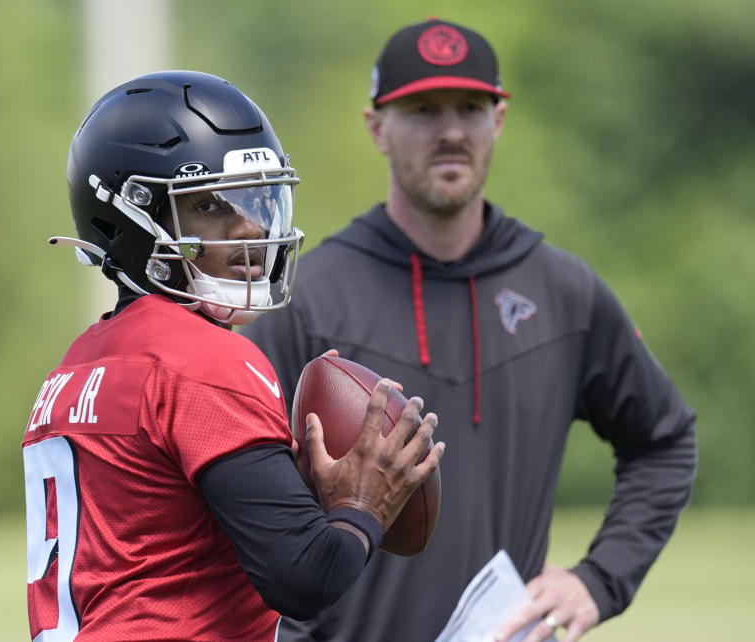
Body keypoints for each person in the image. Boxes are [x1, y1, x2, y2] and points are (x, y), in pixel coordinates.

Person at [241, 17, 697, 642]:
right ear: (377, 127)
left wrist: (599, 578)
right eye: (423, 110)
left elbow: (664, 442)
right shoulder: (307, 299)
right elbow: (238, 492)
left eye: (470, 108)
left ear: (498, 120)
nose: (451, 131)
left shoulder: (563, 291)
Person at [20, 70, 444, 642]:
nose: (248, 228)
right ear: (131, 218)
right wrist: (362, 507)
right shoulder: (201, 358)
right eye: (211, 207)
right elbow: (305, 578)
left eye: (254, 200)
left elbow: (164, 539)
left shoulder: (72, 370)